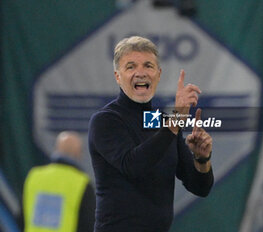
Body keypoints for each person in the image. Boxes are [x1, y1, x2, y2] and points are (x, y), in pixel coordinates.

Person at [88, 36, 214, 231]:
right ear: (117, 76)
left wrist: (202, 158)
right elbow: (133, 165)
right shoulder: (106, 120)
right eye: (130, 67)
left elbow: (200, 187)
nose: (140, 73)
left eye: (148, 65)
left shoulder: (163, 121)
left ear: (158, 74)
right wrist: (175, 122)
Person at [22, 131, 95, 232]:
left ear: (56, 149)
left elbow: (22, 217)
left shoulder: (34, 176)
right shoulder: (82, 183)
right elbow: (89, 225)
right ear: (78, 154)